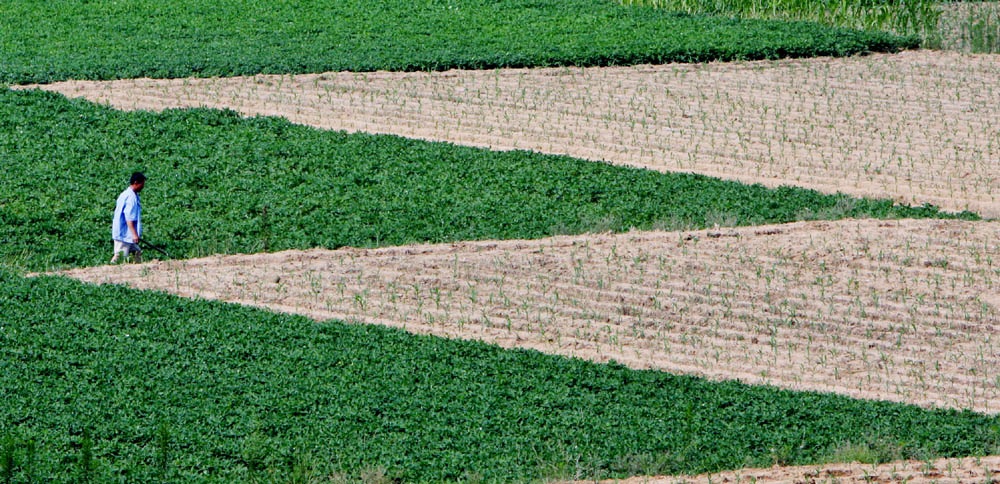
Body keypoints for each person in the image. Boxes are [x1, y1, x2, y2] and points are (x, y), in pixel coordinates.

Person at [111, 172, 146, 263]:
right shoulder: (130, 197)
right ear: (136, 183)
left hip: (127, 233)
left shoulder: (127, 194)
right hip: (124, 233)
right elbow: (129, 217)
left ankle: (139, 270)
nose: (143, 186)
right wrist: (134, 234)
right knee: (120, 256)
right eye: (142, 184)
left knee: (137, 252)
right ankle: (112, 270)